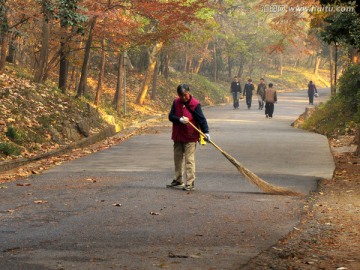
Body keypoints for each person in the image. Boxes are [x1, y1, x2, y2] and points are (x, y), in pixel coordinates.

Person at [168, 84, 210, 191]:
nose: (183, 97)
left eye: (185, 95)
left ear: (188, 92)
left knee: (189, 160)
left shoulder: (195, 104)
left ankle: (190, 183)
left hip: (190, 137)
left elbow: (202, 119)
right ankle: (178, 180)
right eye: (181, 95)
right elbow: (170, 116)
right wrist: (179, 120)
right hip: (178, 136)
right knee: (177, 159)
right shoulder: (176, 102)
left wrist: (206, 132)